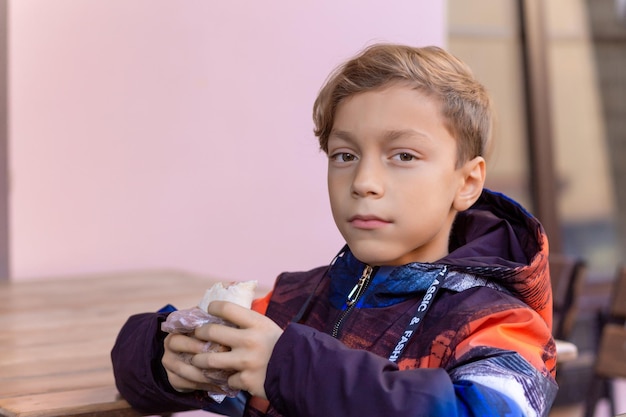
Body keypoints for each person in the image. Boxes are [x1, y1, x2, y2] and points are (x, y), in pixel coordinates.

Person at [111, 43, 558, 417]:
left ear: (467, 183)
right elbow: (131, 367)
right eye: (344, 155)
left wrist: (289, 367)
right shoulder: (293, 301)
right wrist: (163, 359)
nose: (364, 182)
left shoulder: (499, 323)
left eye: (403, 156)